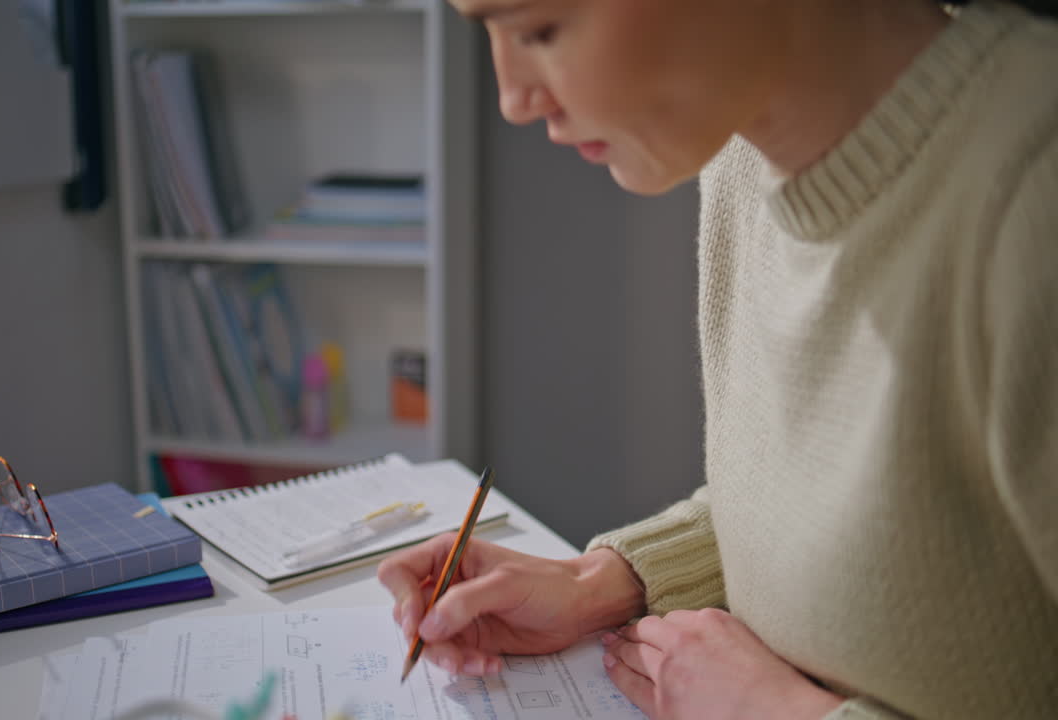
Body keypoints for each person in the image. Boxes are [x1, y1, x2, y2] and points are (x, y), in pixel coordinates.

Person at [377, 0, 1058, 717]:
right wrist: (600, 584)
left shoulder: (1035, 190)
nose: (514, 99)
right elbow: (886, 516)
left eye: (538, 29)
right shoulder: (742, 158)